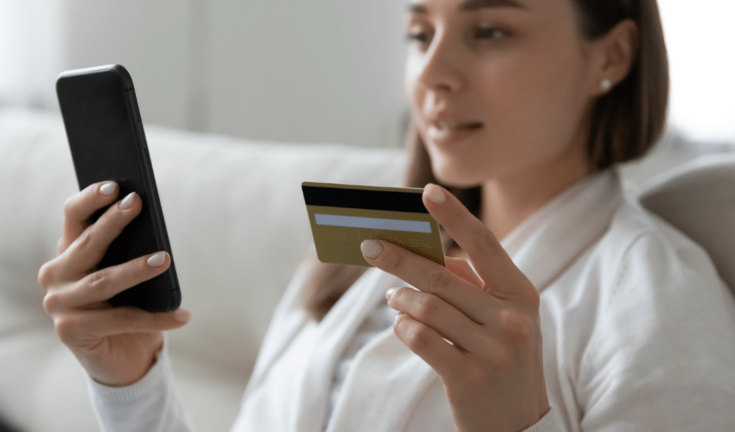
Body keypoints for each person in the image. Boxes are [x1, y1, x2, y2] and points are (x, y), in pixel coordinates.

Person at [38, 0, 735, 430]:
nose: (433, 72)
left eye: (491, 30)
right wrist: (128, 381)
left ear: (610, 55)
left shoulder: (657, 298)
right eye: (418, 30)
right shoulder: (355, 249)